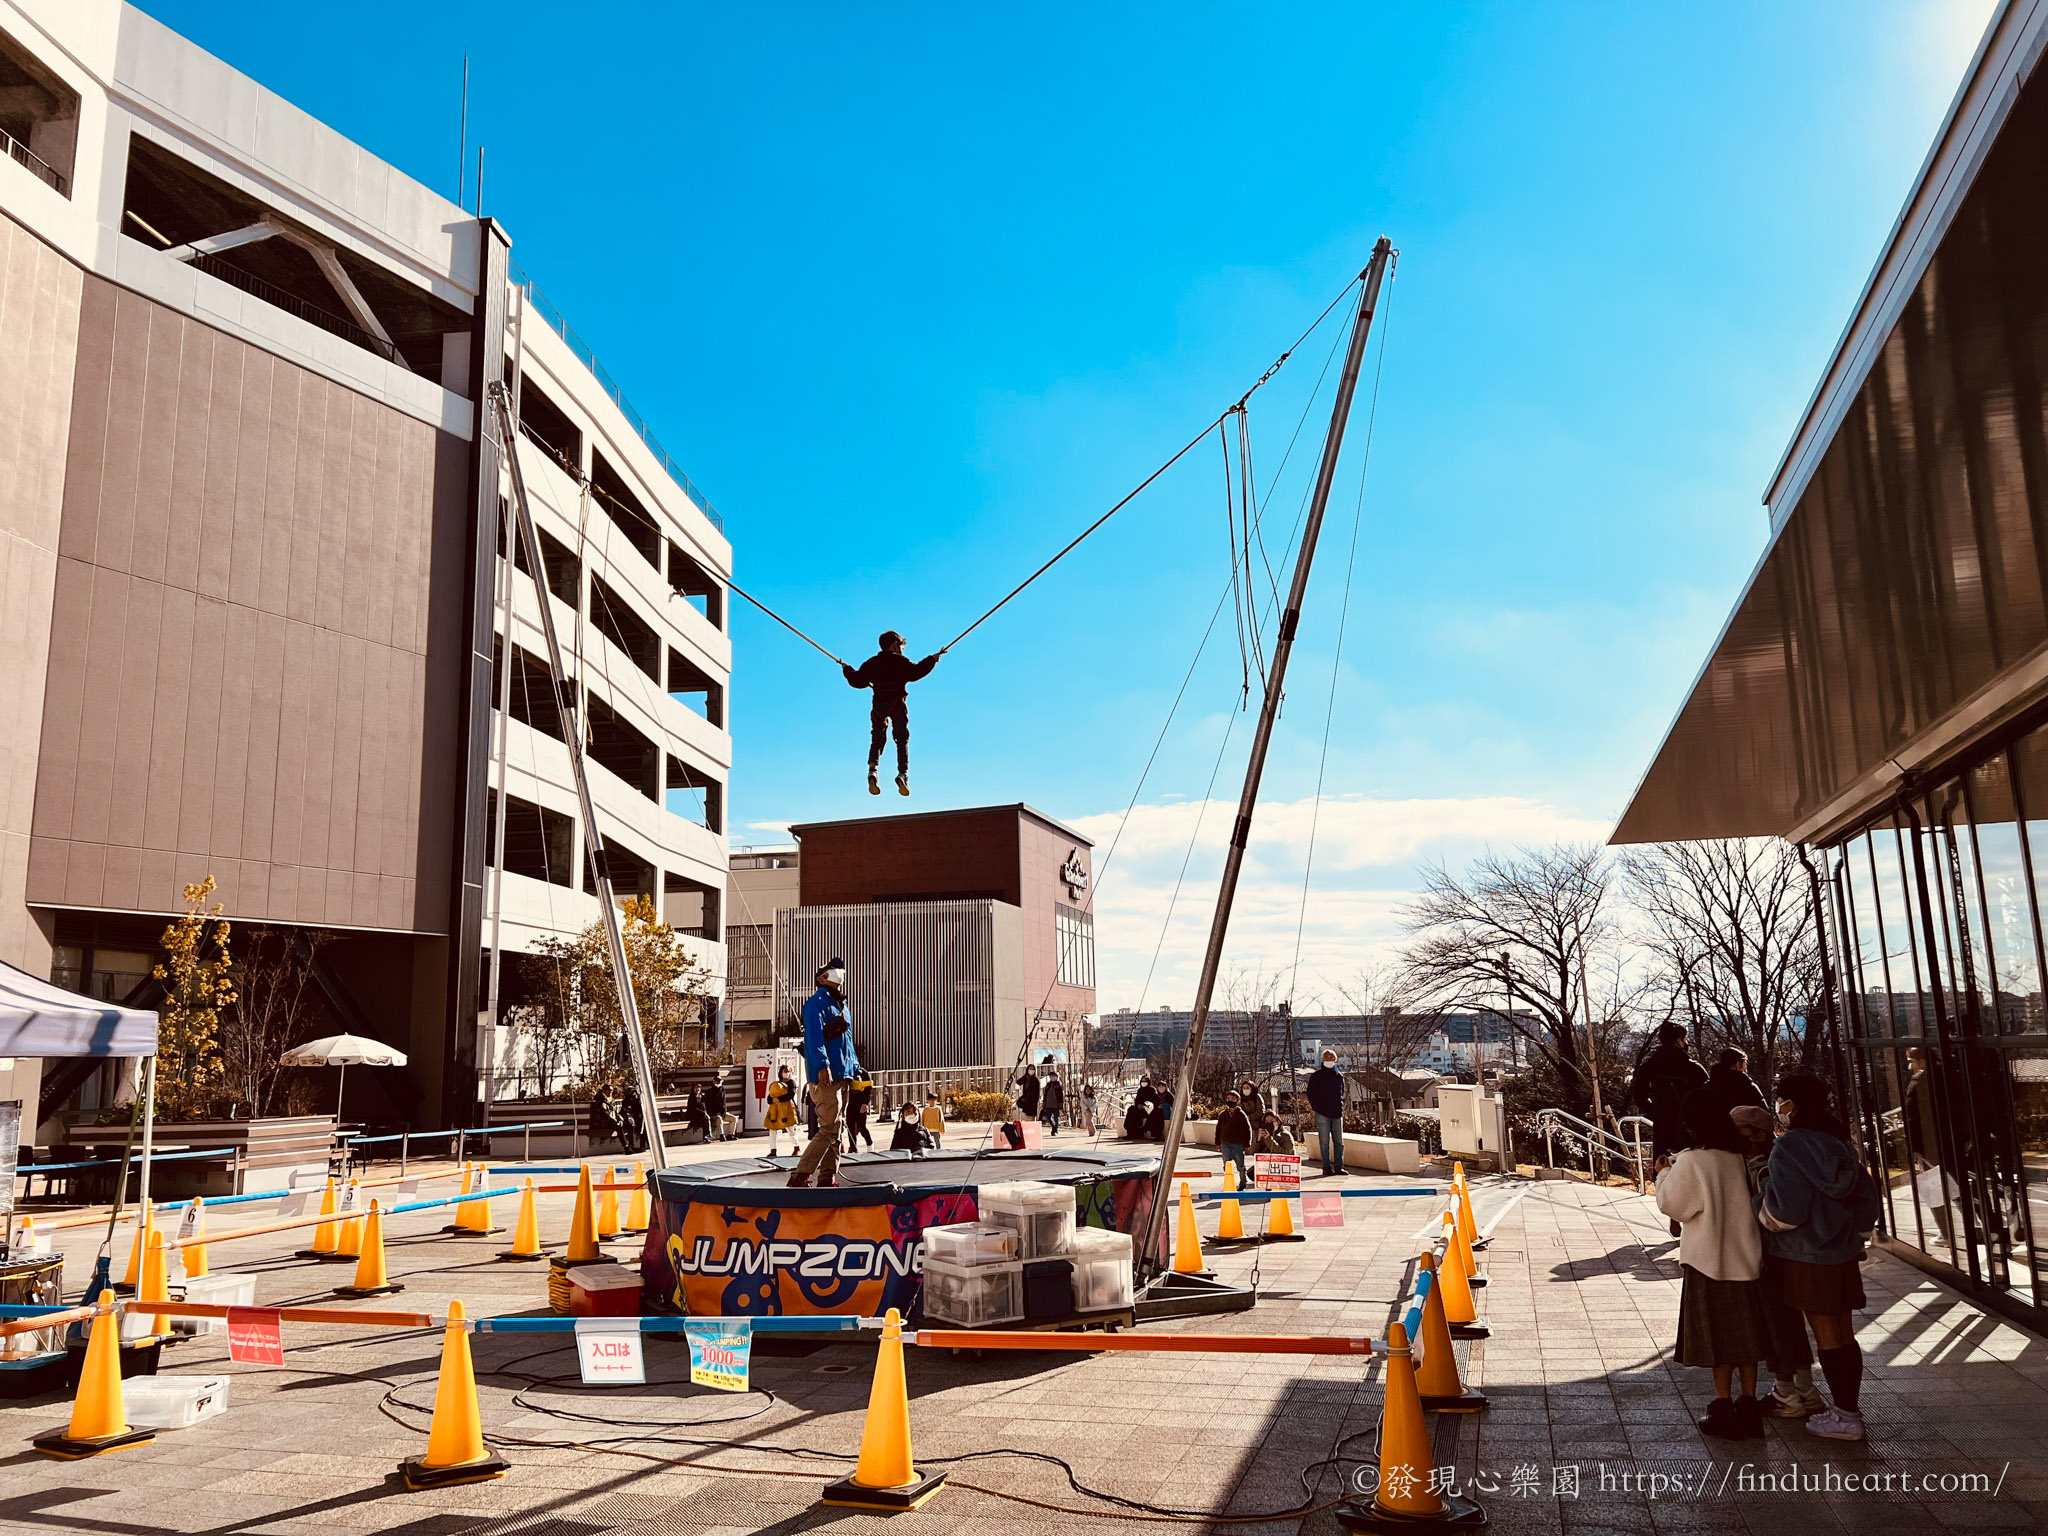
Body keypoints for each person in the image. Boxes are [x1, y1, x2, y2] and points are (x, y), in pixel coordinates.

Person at [1759, 1072, 1879, 1441]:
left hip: (1806, 1255)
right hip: (1842, 1253)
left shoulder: (1790, 1147)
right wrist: (1854, 1234)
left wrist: (1759, 1209)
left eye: (1782, 1100)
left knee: (1826, 1334)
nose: (1779, 1108)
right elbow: (1866, 1197)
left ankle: (1846, 1417)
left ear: (1792, 1104)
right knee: (1843, 1333)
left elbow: (1787, 1211)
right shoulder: (1840, 1143)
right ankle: (1848, 1409)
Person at [1657, 1089, 1771, 1439]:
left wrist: (1662, 1174)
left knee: (1719, 1340)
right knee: (1745, 1340)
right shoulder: (1737, 1156)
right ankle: (1749, 1406)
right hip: (1746, 1259)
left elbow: (1674, 1205)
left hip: (1708, 1262)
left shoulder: (1692, 1160)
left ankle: (1722, 1405)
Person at [1731, 1103, 1824, 1419]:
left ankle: (1786, 1392)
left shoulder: (1761, 1168)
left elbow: (1767, 1212)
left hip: (1770, 1255)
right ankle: (1806, 1389)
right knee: (1790, 1323)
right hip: (1786, 1254)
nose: (1733, 1137)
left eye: (1739, 1130)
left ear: (1757, 1135)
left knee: (1775, 1325)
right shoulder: (1774, 1161)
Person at [791, 957, 863, 1189]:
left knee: (838, 1127)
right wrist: (822, 1065)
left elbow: (847, 1043)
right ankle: (801, 1174)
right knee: (830, 1127)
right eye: (834, 970)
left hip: (843, 1073)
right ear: (822, 978)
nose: (841, 972)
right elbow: (814, 1038)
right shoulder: (816, 1003)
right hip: (827, 1075)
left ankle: (827, 1176)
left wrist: (854, 1068)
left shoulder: (841, 1005)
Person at [842, 630, 941, 796]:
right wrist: (932, 660)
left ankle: (873, 770)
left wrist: (847, 669)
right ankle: (903, 773)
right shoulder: (900, 661)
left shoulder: (872, 663)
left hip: (879, 705)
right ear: (895, 644)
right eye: (902, 645)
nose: (903, 649)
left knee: (877, 738)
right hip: (897, 705)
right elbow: (916, 672)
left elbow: (858, 680)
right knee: (901, 739)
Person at [1633, 1024, 1711, 1166]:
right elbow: (1707, 1100)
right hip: (1691, 1129)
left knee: (1663, 1169)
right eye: (1685, 1038)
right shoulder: (1693, 1068)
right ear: (1679, 1041)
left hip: (1662, 1127)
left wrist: (1656, 1112)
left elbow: (1639, 1096)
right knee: (1691, 1171)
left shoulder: (1648, 1067)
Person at [1903, 1045, 1954, 1249]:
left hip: (1929, 1145)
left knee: (1933, 1188)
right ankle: (1980, 1225)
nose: (1909, 1065)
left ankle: (1945, 1233)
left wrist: (1913, 1147)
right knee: (1956, 1186)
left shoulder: (1918, 1082)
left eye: (1911, 1061)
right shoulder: (1947, 1076)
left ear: (1921, 1061)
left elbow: (1912, 1118)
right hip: (1950, 1141)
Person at [1307, 1050, 1346, 1177]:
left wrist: (1341, 1106)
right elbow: (1311, 1094)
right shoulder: (1316, 1076)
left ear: (1335, 1059)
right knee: (1324, 1142)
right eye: (1326, 1058)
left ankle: (1339, 1167)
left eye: (1331, 1058)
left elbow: (1342, 1093)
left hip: (1337, 1112)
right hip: (1322, 1113)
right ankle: (1326, 1167)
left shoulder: (1339, 1076)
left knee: (1339, 1142)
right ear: (1322, 1059)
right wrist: (1317, 1107)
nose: (1328, 1060)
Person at [1708, 1046, 1769, 1116]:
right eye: (1745, 1064)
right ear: (1738, 1064)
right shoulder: (1747, 1086)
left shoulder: (1709, 1086)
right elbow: (1764, 1114)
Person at [1215, 1091, 1253, 1185]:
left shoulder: (1241, 1115)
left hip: (1238, 1144)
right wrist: (1218, 1143)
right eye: (1228, 1098)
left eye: (1232, 1099)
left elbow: (1247, 1130)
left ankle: (1243, 1182)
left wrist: (1246, 1144)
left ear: (1238, 1101)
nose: (1230, 1100)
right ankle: (1228, 1182)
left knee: (1240, 1165)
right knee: (1226, 1164)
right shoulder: (1223, 1115)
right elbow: (1218, 1129)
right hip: (1225, 1143)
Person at [763, 1063, 798, 1157]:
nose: (787, 1073)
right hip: (776, 1110)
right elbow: (769, 1097)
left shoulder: (791, 1083)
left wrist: (779, 1099)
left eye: (788, 1071)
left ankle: (796, 1147)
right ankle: (773, 1150)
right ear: (781, 1073)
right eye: (785, 1071)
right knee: (772, 1130)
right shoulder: (776, 1084)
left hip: (787, 1109)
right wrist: (772, 1100)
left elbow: (791, 1095)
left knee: (790, 1129)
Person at [845, 1077, 875, 1155]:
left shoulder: (863, 1073)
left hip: (860, 1104)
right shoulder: (847, 1072)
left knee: (861, 1127)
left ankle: (870, 1144)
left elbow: (869, 1088)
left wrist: (865, 1102)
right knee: (850, 1128)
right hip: (849, 1104)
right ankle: (853, 1149)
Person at [702, 1074, 729, 1141]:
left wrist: (724, 1112)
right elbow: (708, 1105)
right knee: (719, 1119)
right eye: (717, 1081)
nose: (718, 1082)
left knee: (734, 1118)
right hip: (714, 1114)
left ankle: (731, 1134)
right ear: (714, 1081)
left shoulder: (722, 1090)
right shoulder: (710, 1092)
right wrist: (715, 1113)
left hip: (722, 1113)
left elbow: (724, 1102)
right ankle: (721, 1135)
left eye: (720, 1081)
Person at [1041, 1070, 1065, 1137]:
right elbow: (1045, 1094)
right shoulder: (1048, 1085)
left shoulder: (1058, 1085)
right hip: (1048, 1104)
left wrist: (1061, 1105)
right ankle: (1054, 1127)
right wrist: (1044, 1103)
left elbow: (1060, 1096)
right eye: (1051, 1076)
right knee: (1047, 1117)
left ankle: (1055, 1130)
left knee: (1056, 1118)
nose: (1052, 1078)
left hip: (1056, 1105)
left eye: (1053, 1076)